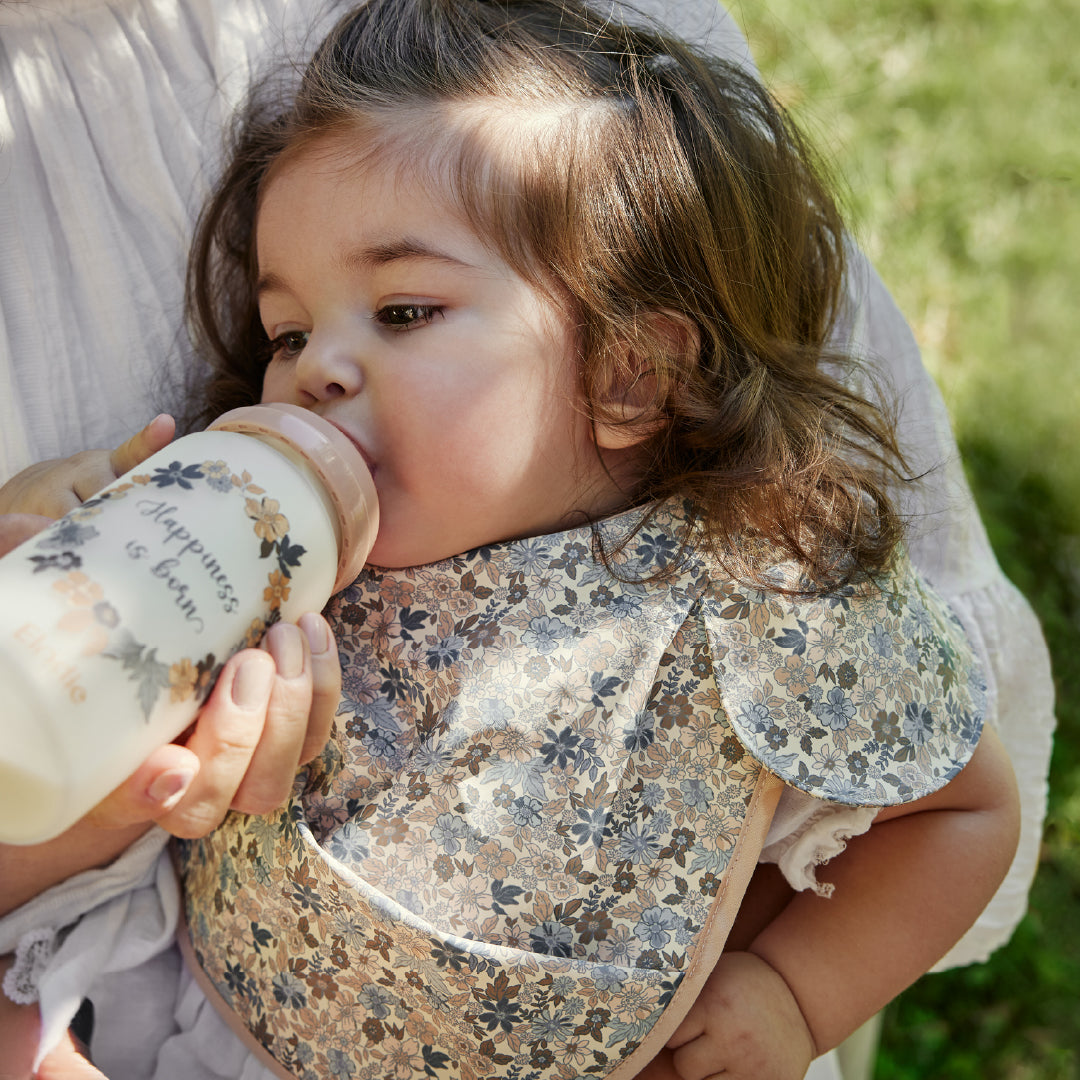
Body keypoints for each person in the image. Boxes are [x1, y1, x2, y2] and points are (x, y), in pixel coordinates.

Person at [0, 1, 1053, 1079]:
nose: (315, 370)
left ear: (629, 372)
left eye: (403, 311)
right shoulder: (277, 565)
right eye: (290, 331)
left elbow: (965, 808)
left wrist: (793, 990)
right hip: (212, 1033)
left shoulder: (757, 595)